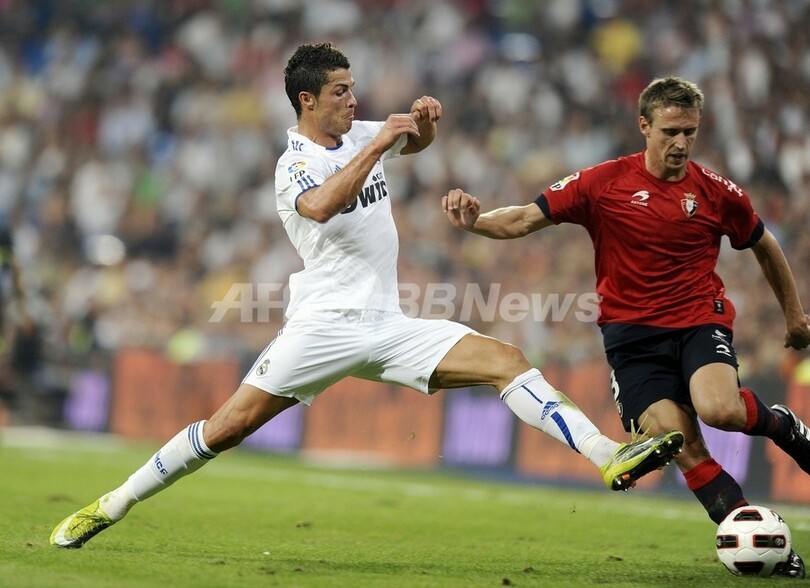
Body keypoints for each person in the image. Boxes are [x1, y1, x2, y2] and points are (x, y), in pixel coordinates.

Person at [50, 43, 683, 549]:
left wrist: (424, 125)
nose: (353, 100)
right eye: (340, 91)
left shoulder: (362, 134)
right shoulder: (295, 163)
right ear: (307, 100)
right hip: (323, 325)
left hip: (387, 322)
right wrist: (378, 142)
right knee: (227, 428)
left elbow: (414, 141)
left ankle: (607, 455)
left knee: (507, 360)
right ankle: (112, 504)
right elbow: (320, 206)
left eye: (353, 88)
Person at [442, 76, 810, 578]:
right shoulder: (603, 182)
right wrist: (476, 222)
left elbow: (764, 243)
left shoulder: (717, 192)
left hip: (698, 321)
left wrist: (793, 314)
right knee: (680, 442)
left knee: (720, 409)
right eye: (670, 131)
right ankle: (762, 544)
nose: (680, 143)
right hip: (631, 341)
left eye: (689, 132)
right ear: (644, 126)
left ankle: (783, 426)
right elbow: (525, 219)